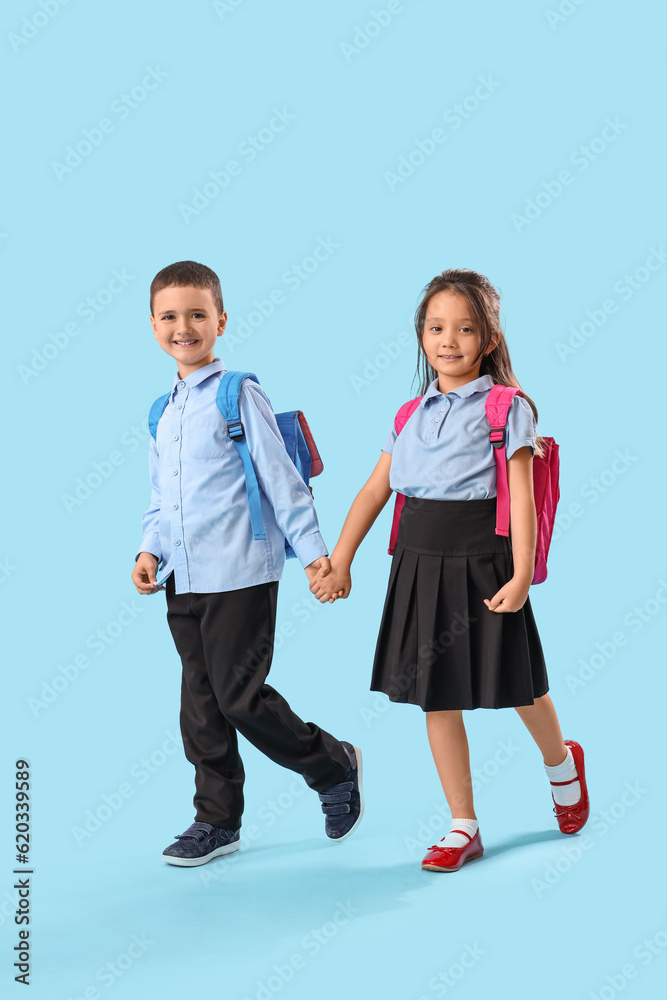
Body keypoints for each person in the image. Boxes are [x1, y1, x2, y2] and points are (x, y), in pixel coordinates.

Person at [310, 267, 589, 872]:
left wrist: (519, 576)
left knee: (519, 684)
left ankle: (562, 764)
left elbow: (520, 499)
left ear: (488, 338)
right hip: (418, 562)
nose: (449, 340)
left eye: (465, 328)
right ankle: (464, 826)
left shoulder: (506, 407)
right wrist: (340, 559)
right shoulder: (409, 411)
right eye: (436, 327)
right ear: (421, 335)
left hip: (485, 561)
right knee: (436, 696)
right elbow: (373, 490)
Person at [131, 260, 362, 867]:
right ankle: (217, 821)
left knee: (239, 697)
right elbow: (161, 496)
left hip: (240, 571)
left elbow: (284, 482)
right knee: (199, 702)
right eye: (171, 316)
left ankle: (332, 764)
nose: (185, 326)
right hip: (183, 575)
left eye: (198, 314)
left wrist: (317, 558)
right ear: (153, 325)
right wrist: (148, 549)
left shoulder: (238, 393)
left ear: (221, 321)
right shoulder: (162, 411)